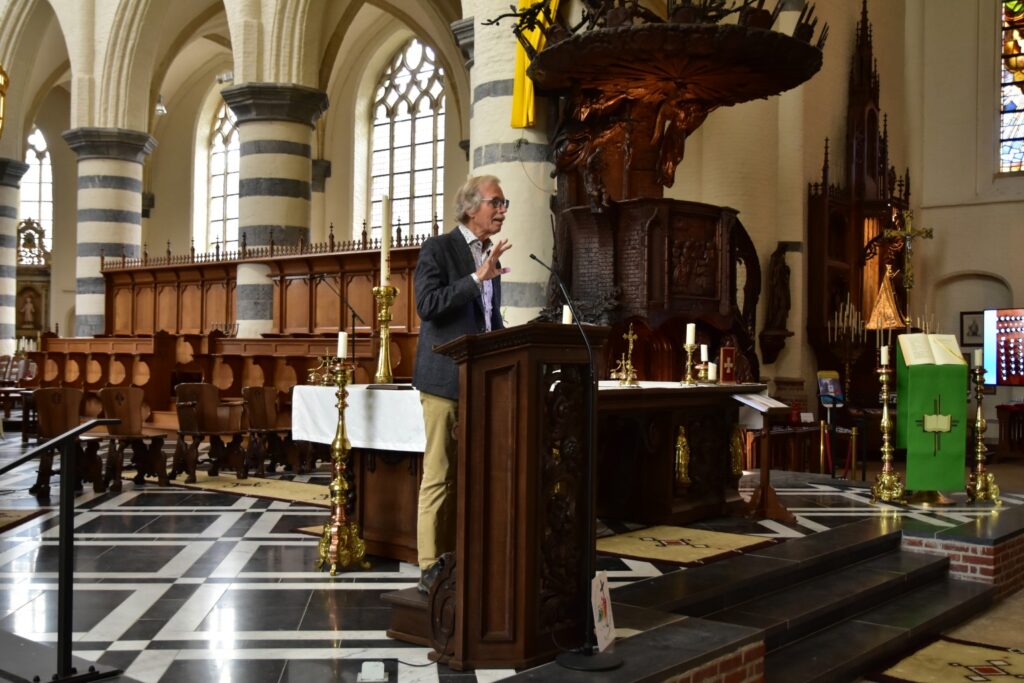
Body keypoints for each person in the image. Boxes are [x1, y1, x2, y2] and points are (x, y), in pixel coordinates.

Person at [411, 174, 512, 593]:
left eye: (505, 204)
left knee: (477, 472)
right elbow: (427, 306)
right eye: (496, 202)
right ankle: (429, 565)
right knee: (440, 473)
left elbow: (489, 320)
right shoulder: (440, 248)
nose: (502, 210)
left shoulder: (490, 254)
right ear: (471, 207)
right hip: (444, 380)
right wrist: (475, 279)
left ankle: (468, 550)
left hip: (483, 382)